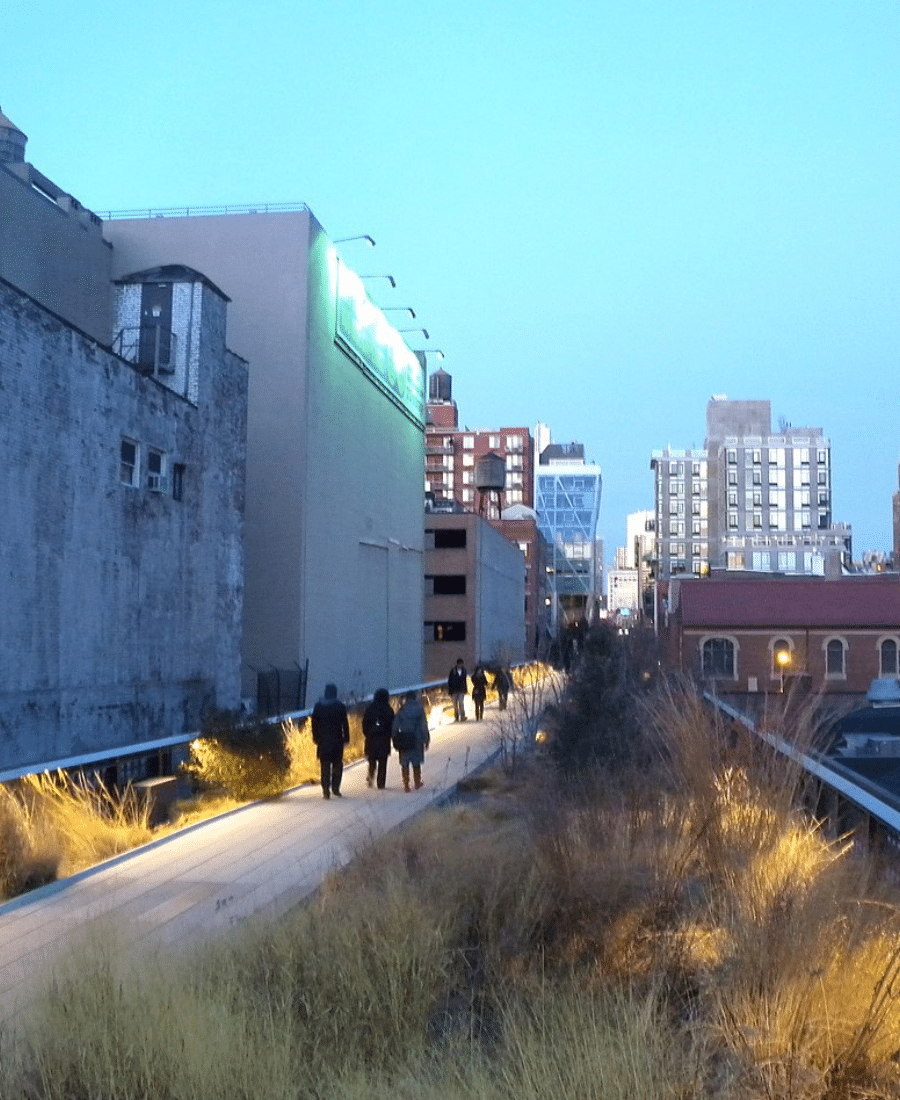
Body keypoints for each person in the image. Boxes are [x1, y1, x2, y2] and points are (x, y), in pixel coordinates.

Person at [310, 683, 350, 799]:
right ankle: (336, 788)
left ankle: (325, 789)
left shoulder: (318, 706)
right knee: (337, 764)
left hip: (323, 740)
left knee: (325, 766)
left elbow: (314, 723)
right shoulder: (340, 706)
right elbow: (345, 724)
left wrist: (316, 737)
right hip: (337, 739)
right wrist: (346, 738)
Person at [392, 690, 430, 792]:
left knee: (405, 762)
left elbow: (395, 726)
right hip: (417, 738)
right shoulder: (420, 709)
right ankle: (417, 782)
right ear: (414, 697)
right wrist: (426, 739)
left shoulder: (401, 710)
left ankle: (406, 785)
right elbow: (424, 726)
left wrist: (395, 738)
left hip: (404, 738)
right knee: (416, 761)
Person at [362, 687, 394, 790]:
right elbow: (392, 725)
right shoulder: (388, 709)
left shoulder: (370, 708)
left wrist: (368, 734)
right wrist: (390, 735)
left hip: (371, 739)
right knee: (382, 763)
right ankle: (381, 783)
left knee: (372, 761)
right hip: (384, 740)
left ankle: (370, 779)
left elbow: (365, 724)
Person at [447, 657, 468, 722]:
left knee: (461, 702)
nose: (461, 665)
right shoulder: (453, 671)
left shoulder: (464, 671)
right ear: (458, 664)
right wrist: (450, 690)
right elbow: (450, 681)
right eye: (460, 664)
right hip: (454, 690)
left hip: (461, 689)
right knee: (455, 704)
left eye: (462, 664)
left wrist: (465, 689)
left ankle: (462, 716)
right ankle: (456, 716)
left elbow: (464, 680)